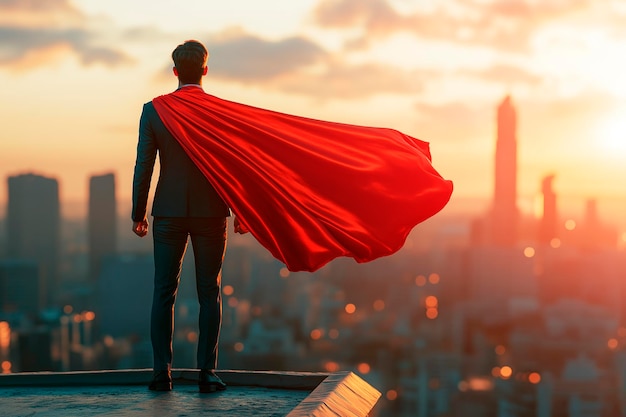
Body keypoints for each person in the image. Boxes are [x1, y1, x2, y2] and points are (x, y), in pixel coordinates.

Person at [131, 40, 240, 393]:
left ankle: (161, 373)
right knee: (210, 293)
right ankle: (207, 373)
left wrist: (138, 213)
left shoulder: (154, 110)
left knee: (164, 291)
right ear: (205, 71)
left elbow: (143, 165)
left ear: (175, 71)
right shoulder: (220, 110)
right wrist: (241, 209)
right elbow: (234, 164)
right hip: (211, 212)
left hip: (168, 213)